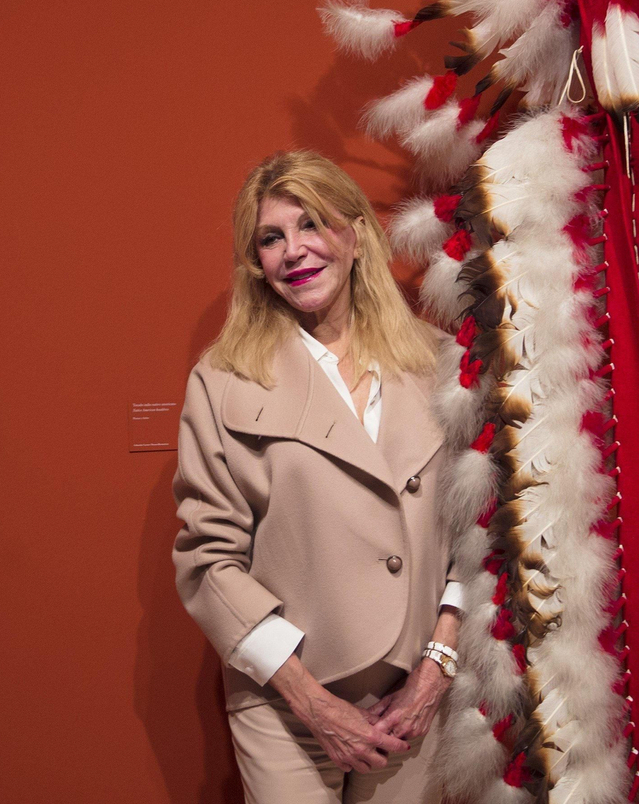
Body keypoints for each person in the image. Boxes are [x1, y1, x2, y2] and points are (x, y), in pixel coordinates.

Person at [173, 150, 463, 803]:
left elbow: (479, 533)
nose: (293, 251)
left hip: (414, 693)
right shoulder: (221, 381)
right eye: (271, 238)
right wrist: (310, 702)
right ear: (257, 264)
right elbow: (207, 561)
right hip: (286, 701)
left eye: (311, 225)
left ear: (356, 235)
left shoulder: (439, 361)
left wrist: (438, 667)